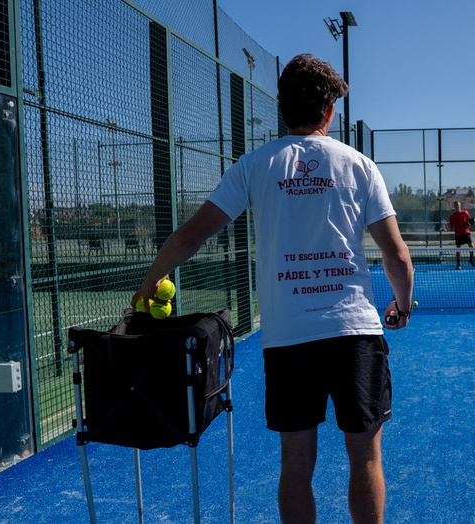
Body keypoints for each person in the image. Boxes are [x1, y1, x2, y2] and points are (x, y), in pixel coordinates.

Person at [132, 53, 414, 524]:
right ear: (328, 111)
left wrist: (147, 285)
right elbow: (397, 256)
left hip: (288, 338)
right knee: (365, 458)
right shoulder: (361, 165)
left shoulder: (255, 165)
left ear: (283, 107)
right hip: (356, 333)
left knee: (296, 465)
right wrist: (402, 307)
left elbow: (190, 235)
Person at [447, 200, 475, 269]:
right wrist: (448, 229)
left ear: (460, 206)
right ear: (454, 207)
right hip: (458, 235)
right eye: (455, 205)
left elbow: (469, 221)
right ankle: (458, 264)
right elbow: (451, 227)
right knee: (458, 249)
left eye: (458, 205)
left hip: (466, 233)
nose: (457, 206)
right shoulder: (452, 216)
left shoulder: (465, 213)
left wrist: (468, 224)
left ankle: (471, 259)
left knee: (472, 246)